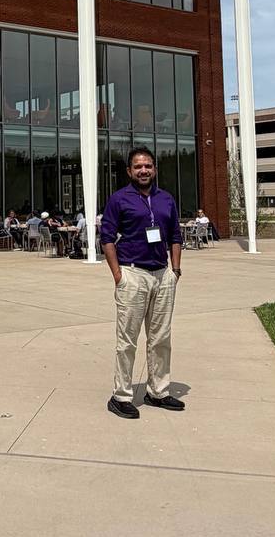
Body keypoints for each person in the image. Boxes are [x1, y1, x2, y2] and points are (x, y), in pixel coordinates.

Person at [100, 146, 184, 419]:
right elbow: (107, 238)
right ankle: (121, 395)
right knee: (127, 341)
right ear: (129, 171)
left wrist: (175, 270)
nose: (144, 170)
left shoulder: (166, 199)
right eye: (138, 166)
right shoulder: (119, 199)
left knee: (161, 338)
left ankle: (158, 391)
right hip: (132, 274)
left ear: (154, 169)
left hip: (162, 274)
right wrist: (118, 276)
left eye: (148, 166)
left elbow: (175, 235)